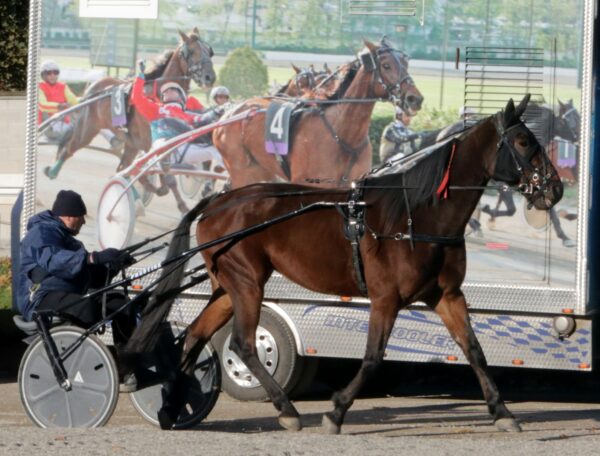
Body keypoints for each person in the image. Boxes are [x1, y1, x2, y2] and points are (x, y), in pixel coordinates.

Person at [16, 190, 139, 391]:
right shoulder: (41, 232)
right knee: (85, 306)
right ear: (69, 215)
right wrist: (93, 258)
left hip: (70, 294)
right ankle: (95, 365)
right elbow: (55, 261)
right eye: (81, 217)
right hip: (41, 298)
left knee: (120, 304)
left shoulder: (71, 240)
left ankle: (125, 367)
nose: (83, 222)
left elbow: (89, 276)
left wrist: (113, 264)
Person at [131, 61, 227, 208]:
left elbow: (202, 119)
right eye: (166, 92)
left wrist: (218, 111)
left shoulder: (187, 115)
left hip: (184, 151)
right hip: (161, 149)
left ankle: (228, 178)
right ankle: (163, 166)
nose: (168, 92)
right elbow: (137, 98)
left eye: (173, 91)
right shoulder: (156, 109)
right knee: (163, 144)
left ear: (182, 98)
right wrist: (141, 76)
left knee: (214, 149)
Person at [38, 60, 122, 151]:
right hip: (49, 126)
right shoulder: (39, 87)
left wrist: (86, 101)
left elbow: (74, 101)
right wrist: (60, 106)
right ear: (43, 75)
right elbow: (42, 105)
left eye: (55, 72)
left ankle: (114, 140)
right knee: (87, 124)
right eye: (49, 73)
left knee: (93, 121)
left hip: (65, 124)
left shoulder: (62, 87)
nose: (53, 76)